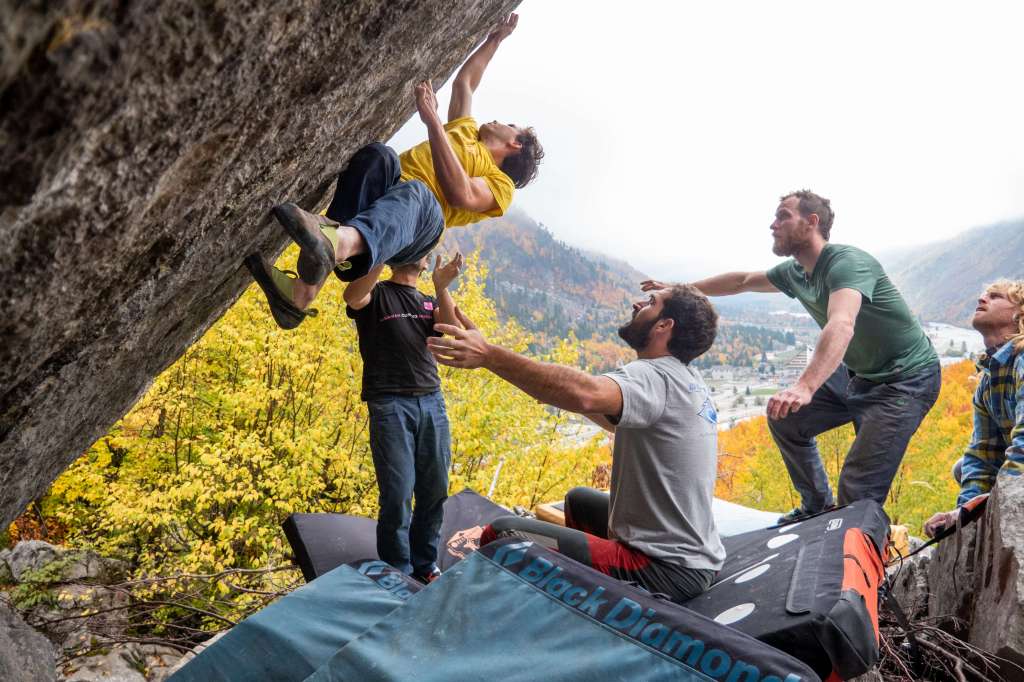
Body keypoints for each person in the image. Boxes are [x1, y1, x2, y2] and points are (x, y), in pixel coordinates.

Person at [644, 190, 941, 524]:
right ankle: (816, 507)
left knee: (858, 491)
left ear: (811, 222)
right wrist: (678, 290)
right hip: (861, 374)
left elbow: (842, 324)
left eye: (783, 216)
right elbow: (742, 281)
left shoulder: (847, 264)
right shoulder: (795, 273)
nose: (773, 225)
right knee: (786, 418)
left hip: (906, 381)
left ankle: (855, 552)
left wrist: (805, 386)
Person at [427, 285, 726, 603]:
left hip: (663, 568)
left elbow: (586, 394)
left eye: (652, 302)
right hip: (694, 557)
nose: (638, 304)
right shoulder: (686, 379)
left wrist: (489, 355)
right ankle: (575, 595)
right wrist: (540, 385)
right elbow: (607, 416)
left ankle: (475, 611)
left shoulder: (655, 375)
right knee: (578, 501)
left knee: (502, 535)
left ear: (664, 325)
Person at [245, 13, 543, 330]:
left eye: (509, 125)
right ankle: (303, 291)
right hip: (382, 210)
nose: (498, 120)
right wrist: (495, 39)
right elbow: (465, 83)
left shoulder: (501, 184)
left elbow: (462, 193)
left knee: (420, 194)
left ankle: (338, 242)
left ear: (515, 144)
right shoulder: (466, 131)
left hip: (416, 230)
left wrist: (433, 123)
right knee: (379, 156)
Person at [344, 250, 464, 583]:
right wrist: (386, 250)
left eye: (423, 250)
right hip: (389, 402)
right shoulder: (378, 292)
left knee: (435, 488)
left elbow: (454, 331)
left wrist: (442, 287)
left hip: (432, 401)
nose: (421, 253)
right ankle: (398, 570)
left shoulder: (428, 300)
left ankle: (425, 563)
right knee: (397, 493)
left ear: (426, 263)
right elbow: (353, 297)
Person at [924, 280, 1024, 537]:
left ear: (1019, 316)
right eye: (984, 294)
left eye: (995, 296)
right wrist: (963, 516)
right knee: (963, 468)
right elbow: (982, 455)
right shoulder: (988, 380)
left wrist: (997, 500)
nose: (982, 298)